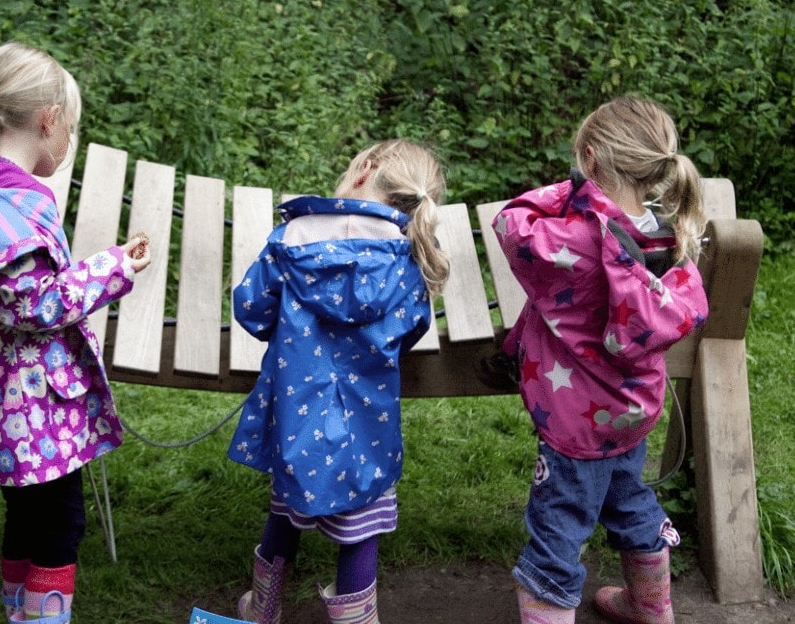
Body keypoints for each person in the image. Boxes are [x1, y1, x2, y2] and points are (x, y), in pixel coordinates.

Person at [0, 41, 152, 623]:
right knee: (60, 527)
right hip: (35, 407)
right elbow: (34, 307)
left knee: (26, 517)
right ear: (49, 121)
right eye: (73, 129)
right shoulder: (11, 212)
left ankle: (18, 613)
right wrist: (114, 267)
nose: (69, 143)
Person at [493, 96, 709, 624]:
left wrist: (574, 189)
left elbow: (510, 222)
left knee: (557, 528)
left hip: (572, 421)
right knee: (628, 499)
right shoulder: (669, 235)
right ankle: (651, 609)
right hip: (631, 411)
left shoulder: (573, 237)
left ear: (591, 160)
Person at [227, 139, 450, 624]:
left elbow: (250, 308)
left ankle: (262, 610)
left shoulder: (292, 237)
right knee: (362, 524)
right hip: (367, 424)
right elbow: (412, 328)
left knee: (285, 508)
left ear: (365, 170)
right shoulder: (406, 257)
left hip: (295, 412)